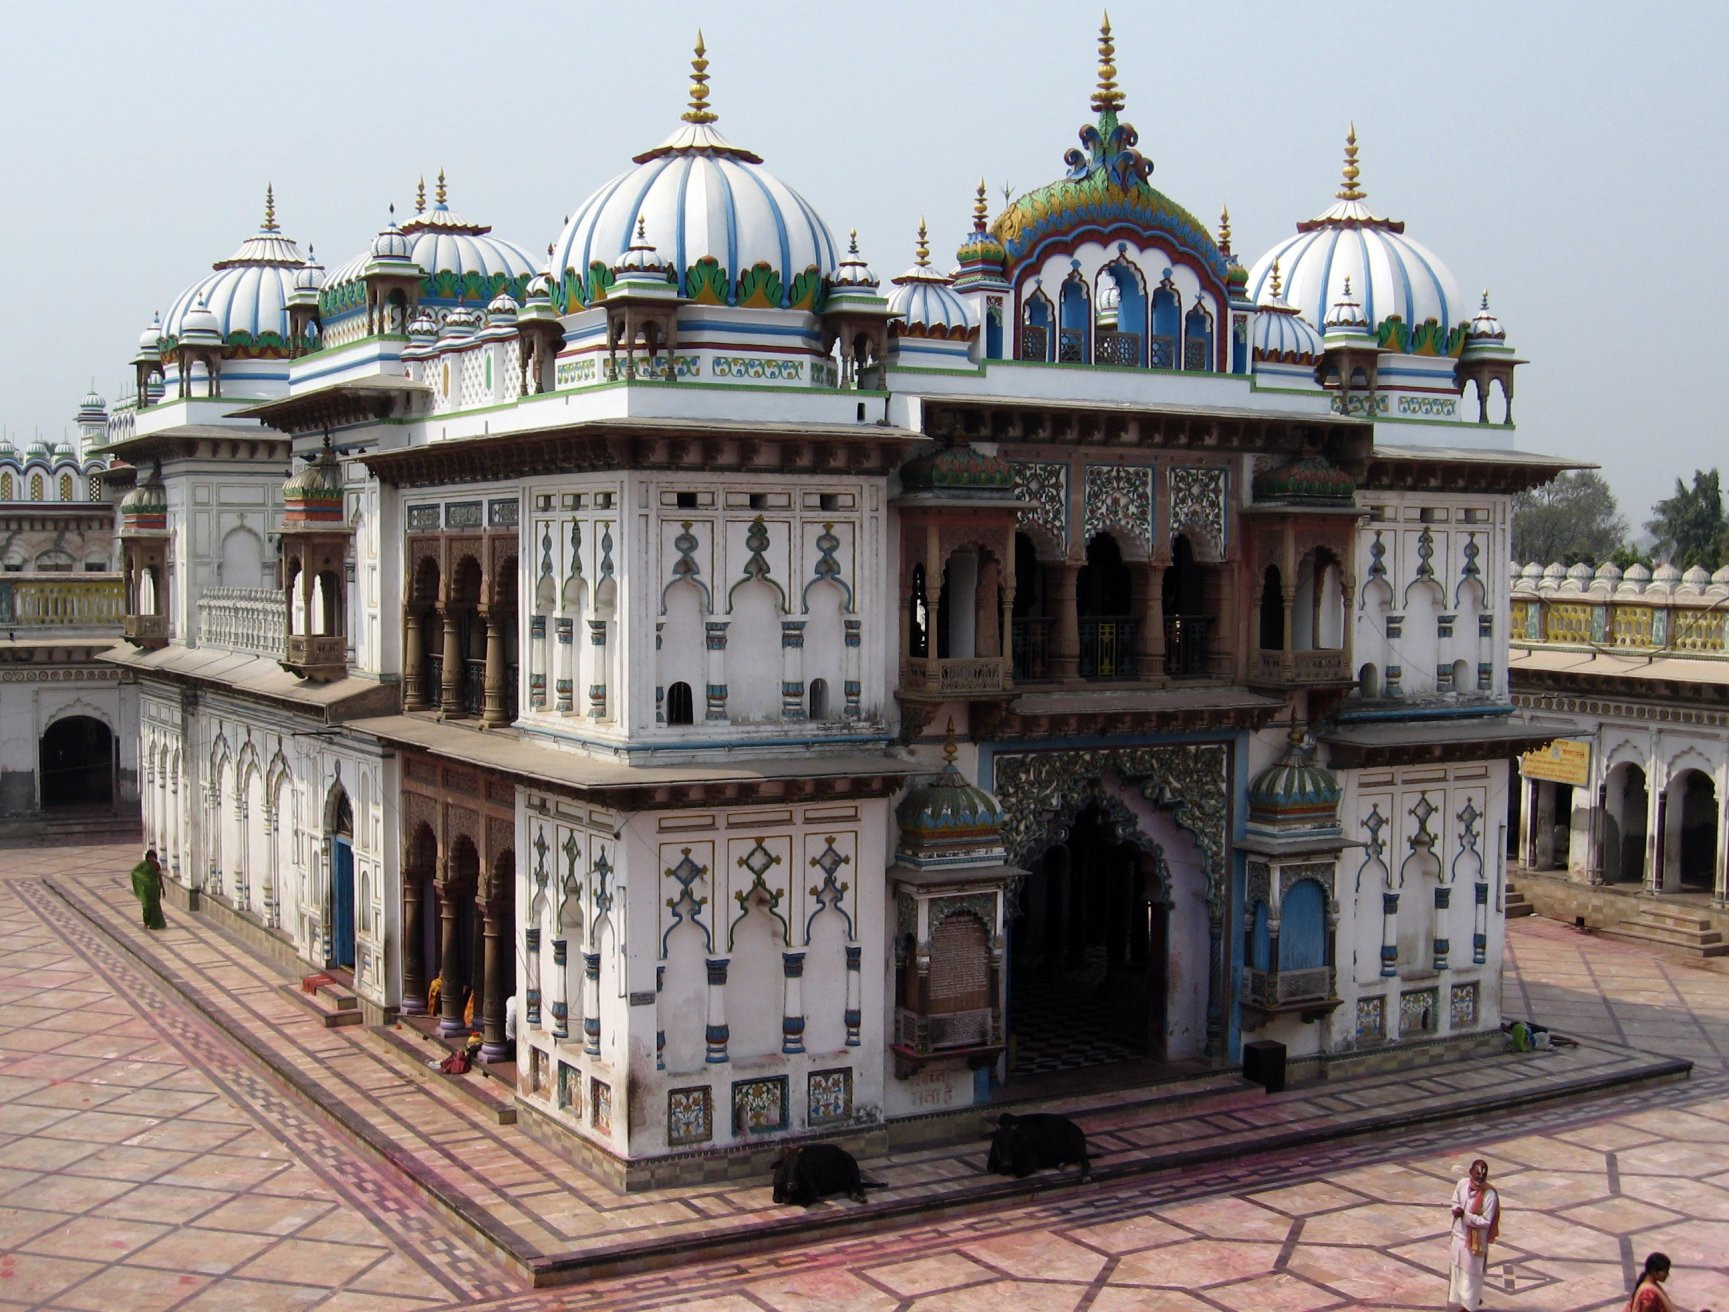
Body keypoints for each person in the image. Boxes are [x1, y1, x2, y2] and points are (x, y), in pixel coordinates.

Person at [1448, 1157, 1499, 1312]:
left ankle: (1470, 1305)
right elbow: (1455, 1201)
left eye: (1482, 1175)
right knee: (1457, 1271)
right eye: (1477, 1174)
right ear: (1470, 1172)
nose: (1479, 1178)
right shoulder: (1462, 1184)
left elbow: (1486, 1221)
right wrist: (1456, 1210)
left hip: (1475, 1243)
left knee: (1471, 1276)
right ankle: (1467, 1301)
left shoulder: (1489, 1195)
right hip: (1458, 1236)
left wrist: (1466, 1216)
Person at [1628, 1252, 1714, 1312]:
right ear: (1654, 1271)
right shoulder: (1648, 1294)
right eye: (1665, 1271)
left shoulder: (1648, 1283)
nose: (1667, 1275)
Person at [129, 848, 166, 931]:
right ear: (147, 858)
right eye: (150, 858)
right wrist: (143, 879)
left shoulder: (156, 865)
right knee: (146, 906)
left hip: (154, 889)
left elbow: (159, 876)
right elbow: (134, 872)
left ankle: (156, 923)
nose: (152, 859)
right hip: (145, 890)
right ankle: (146, 922)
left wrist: (162, 888)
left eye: (153, 858)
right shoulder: (143, 865)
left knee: (155, 907)